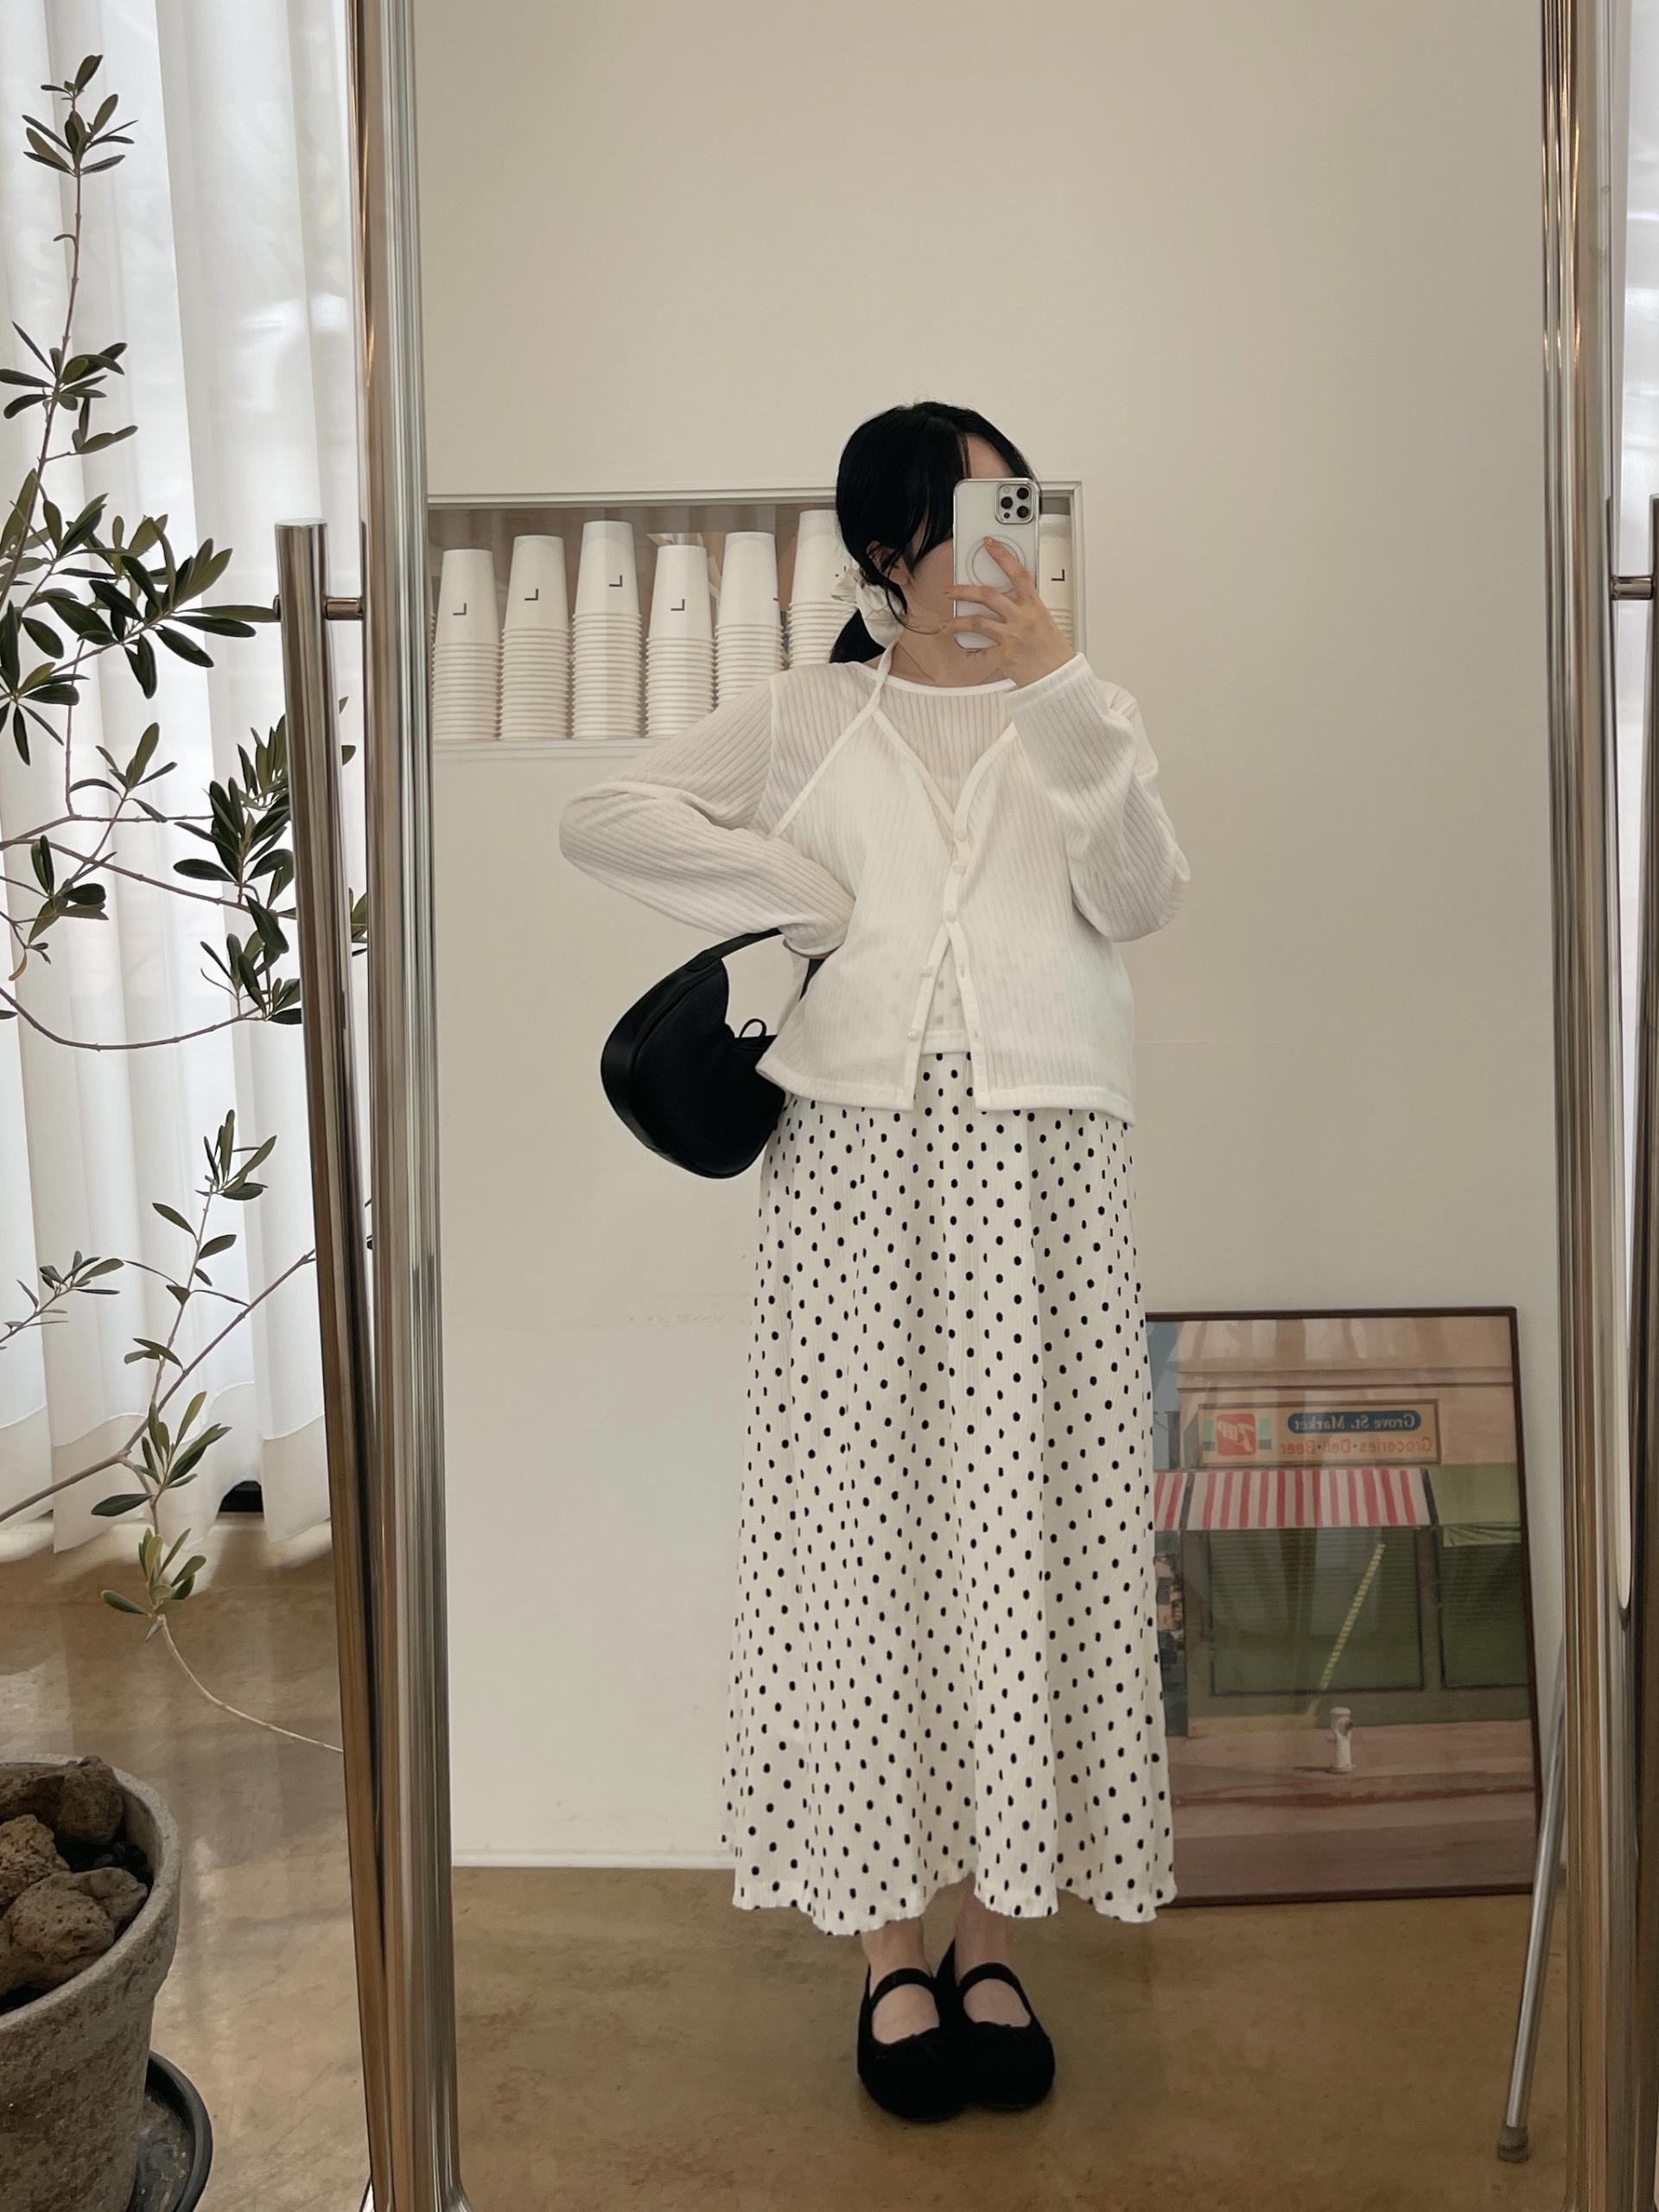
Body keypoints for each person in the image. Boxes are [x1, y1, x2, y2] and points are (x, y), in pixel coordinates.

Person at [558, 401, 1191, 2123]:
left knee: (1030, 1531)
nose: (1000, 539)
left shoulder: (1086, 713)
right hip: (850, 1175)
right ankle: (886, 1947)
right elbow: (605, 815)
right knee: (862, 1544)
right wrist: (794, 885)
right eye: (968, 510)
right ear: (887, 547)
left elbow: (1142, 898)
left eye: (1015, 505)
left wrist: (1060, 685)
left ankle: (994, 1933)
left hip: (1045, 1176)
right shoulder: (807, 715)